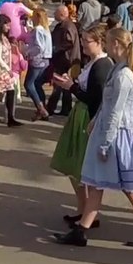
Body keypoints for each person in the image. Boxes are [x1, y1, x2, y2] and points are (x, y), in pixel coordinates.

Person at [54, 27, 133, 247]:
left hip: (117, 134)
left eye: (110, 43)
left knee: (129, 185)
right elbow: (107, 104)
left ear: (116, 45)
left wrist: (105, 143)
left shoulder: (124, 75)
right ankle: (82, 230)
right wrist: (96, 121)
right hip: (109, 131)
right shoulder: (118, 69)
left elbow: (117, 112)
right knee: (96, 183)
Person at [49, 25, 113, 226]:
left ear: (100, 42)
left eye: (87, 41)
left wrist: (72, 87)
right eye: (83, 40)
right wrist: (71, 83)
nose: (83, 44)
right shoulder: (93, 62)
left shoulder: (102, 65)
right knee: (74, 167)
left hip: (87, 117)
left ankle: (87, 213)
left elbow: (97, 99)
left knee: (79, 167)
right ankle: (83, 209)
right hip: (81, 115)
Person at [47, 5, 82, 117]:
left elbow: (69, 42)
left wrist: (56, 49)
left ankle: (50, 108)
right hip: (64, 59)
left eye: (56, 13)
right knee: (65, 85)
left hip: (66, 59)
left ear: (62, 14)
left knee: (59, 83)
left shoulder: (67, 26)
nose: (54, 15)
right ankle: (66, 108)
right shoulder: (63, 25)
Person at [25, 8, 53, 121]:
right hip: (46, 60)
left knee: (28, 84)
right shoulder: (46, 29)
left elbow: (38, 46)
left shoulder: (37, 30)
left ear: (37, 17)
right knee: (37, 84)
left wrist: (27, 51)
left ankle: (40, 107)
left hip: (37, 59)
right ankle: (41, 108)